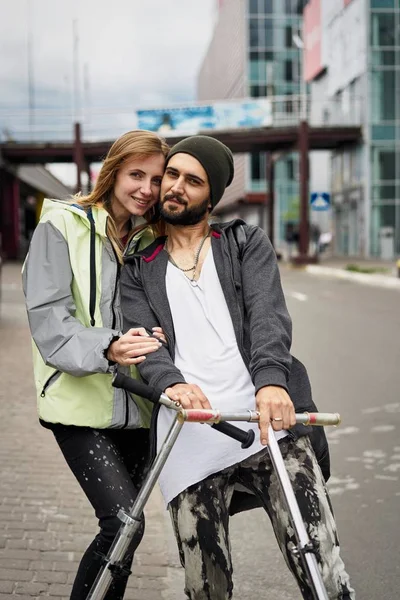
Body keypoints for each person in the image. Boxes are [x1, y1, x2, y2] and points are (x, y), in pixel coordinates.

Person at [119, 135, 355, 600]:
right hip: (189, 439)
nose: (175, 187)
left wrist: (271, 382)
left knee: (321, 566)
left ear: (213, 195)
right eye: (172, 175)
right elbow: (144, 344)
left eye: (193, 180)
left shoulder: (244, 242)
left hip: (271, 427)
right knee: (207, 585)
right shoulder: (139, 266)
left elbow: (269, 316)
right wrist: (173, 384)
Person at [22, 130, 170, 600]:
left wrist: (159, 334)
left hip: (139, 407)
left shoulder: (154, 237)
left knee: (127, 535)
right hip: (77, 404)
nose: (146, 188)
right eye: (136, 174)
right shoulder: (61, 224)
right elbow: (48, 316)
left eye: (157, 179)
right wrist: (109, 346)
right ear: (113, 173)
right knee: (123, 523)